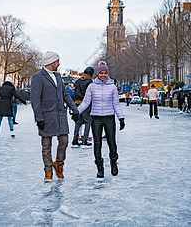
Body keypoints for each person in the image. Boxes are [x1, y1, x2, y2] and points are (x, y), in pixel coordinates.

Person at [30, 51, 79, 182]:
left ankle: (59, 164)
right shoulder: (38, 77)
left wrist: (75, 110)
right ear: (52, 62)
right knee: (46, 146)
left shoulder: (58, 77)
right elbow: (35, 99)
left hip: (60, 115)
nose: (59, 63)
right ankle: (48, 171)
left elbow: (65, 95)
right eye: (57, 61)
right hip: (46, 116)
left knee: (64, 141)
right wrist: (38, 117)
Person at [78, 62, 125, 178]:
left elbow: (116, 104)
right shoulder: (91, 87)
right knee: (97, 144)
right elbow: (85, 102)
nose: (103, 75)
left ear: (108, 74)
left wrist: (121, 118)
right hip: (96, 118)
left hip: (109, 117)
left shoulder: (112, 87)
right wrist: (76, 111)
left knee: (112, 143)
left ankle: (113, 163)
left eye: (105, 73)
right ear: (98, 74)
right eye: (101, 73)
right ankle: (100, 167)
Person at [72, 66, 94, 147]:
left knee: (78, 122)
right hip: (85, 103)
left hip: (77, 103)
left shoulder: (78, 81)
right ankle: (85, 139)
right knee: (88, 121)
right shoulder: (89, 82)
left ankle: (75, 139)